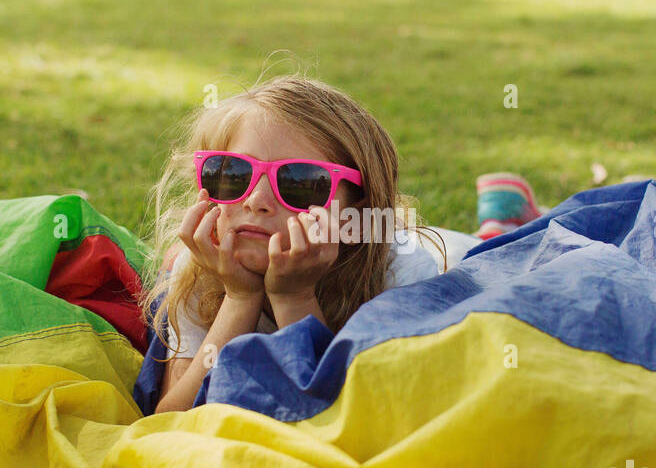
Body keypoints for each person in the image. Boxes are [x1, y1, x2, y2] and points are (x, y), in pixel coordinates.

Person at [142, 75, 544, 414]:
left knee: (496, 252)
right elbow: (169, 419)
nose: (256, 199)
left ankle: (503, 223)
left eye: (300, 183)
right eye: (232, 172)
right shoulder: (200, 270)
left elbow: (353, 413)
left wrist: (295, 298)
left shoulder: (400, 271)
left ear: (357, 208)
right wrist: (239, 298)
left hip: (451, 256)